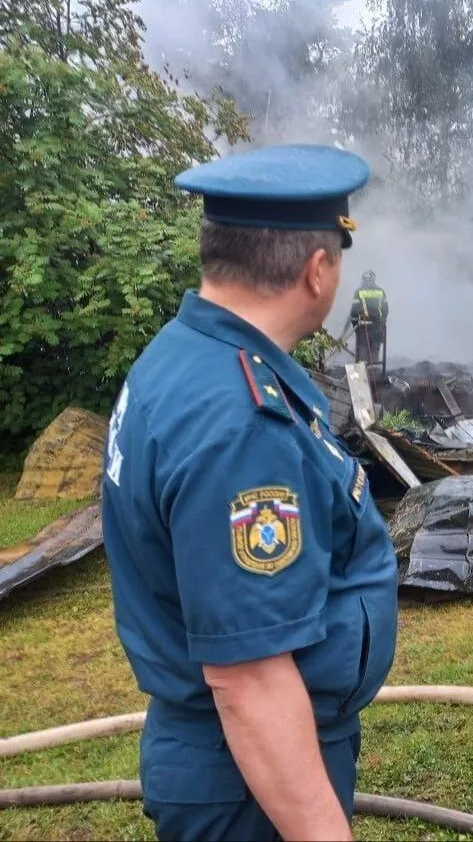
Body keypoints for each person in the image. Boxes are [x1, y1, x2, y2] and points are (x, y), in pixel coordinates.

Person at [101, 144, 398, 842]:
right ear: (317, 268)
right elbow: (251, 680)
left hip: (233, 763)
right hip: (249, 782)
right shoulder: (241, 423)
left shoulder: (184, 357)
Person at [350, 270, 388, 366]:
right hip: (377, 328)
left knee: (362, 353)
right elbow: (386, 309)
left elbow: (354, 311)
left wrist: (355, 325)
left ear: (363, 280)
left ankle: (363, 376)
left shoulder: (359, 292)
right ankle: (375, 372)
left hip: (363, 328)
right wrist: (382, 322)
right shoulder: (381, 291)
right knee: (375, 352)